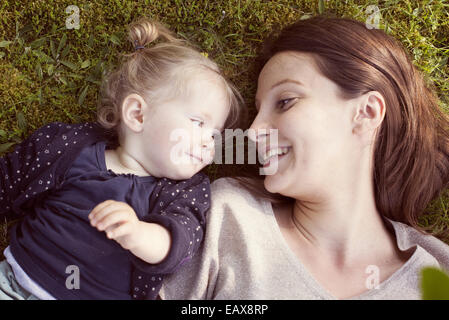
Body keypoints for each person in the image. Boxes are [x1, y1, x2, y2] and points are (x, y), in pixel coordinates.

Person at [159, 16, 449, 300]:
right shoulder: (226, 218)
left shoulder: (435, 274)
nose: (253, 132)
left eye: (285, 102)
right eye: (258, 110)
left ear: (367, 113)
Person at [0, 17, 242, 300]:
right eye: (198, 123)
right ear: (138, 114)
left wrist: (139, 234)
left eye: (214, 135)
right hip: (13, 283)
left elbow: (181, 242)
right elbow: (10, 177)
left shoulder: (185, 191)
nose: (207, 142)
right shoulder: (70, 147)